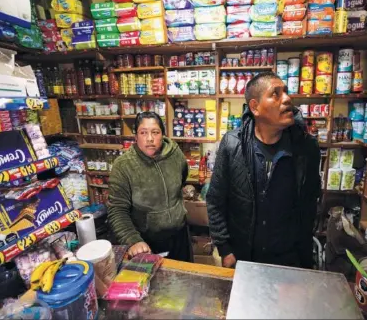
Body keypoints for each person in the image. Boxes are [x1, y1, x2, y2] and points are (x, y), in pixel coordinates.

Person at [207, 72, 321, 269]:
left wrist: (304, 260)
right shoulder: (232, 144)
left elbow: (309, 207)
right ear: (255, 107)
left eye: (285, 92)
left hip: (287, 262)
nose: (287, 99)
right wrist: (225, 250)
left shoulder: (305, 148)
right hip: (242, 259)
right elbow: (215, 201)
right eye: (275, 94)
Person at [107, 111, 192, 261]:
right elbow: (117, 210)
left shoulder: (175, 154)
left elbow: (182, 179)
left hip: (180, 235)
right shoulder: (124, 166)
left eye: (155, 132)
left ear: (163, 134)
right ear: (136, 136)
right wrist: (132, 240)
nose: (150, 139)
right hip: (146, 242)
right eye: (143, 133)